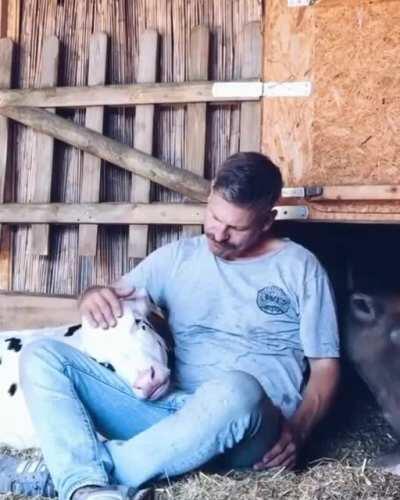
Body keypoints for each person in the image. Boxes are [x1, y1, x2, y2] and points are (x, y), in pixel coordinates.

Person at [0, 152, 340, 500]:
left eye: (236, 228)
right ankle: (89, 491)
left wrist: (298, 432)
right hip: (171, 413)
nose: (219, 234)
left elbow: (325, 365)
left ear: (267, 221)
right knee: (42, 356)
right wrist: (92, 294)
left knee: (238, 389)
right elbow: (114, 296)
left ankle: (67, 475)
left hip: (251, 427)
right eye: (214, 216)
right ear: (210, 195)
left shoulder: (301, 268)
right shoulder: (177, 257)